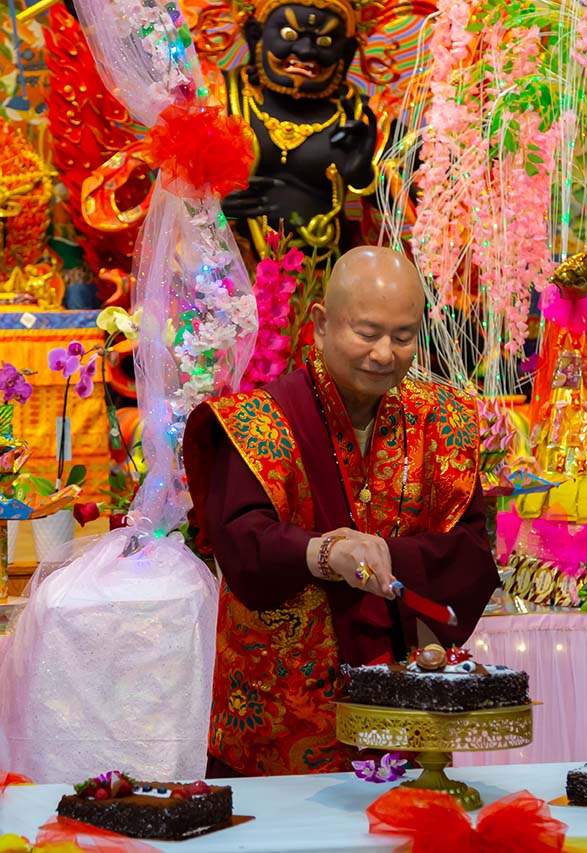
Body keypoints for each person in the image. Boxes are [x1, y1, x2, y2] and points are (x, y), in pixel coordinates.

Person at [185, 246, 498, 777]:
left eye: (403, 336)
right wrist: (324, 553)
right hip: (281, 716)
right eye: (367, 333)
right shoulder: (256, 422)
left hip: (400, 712)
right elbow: (240, 541)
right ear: (321, 324)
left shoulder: (443, 421)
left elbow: (468, 551)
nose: (384, 354)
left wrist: (387, 555)